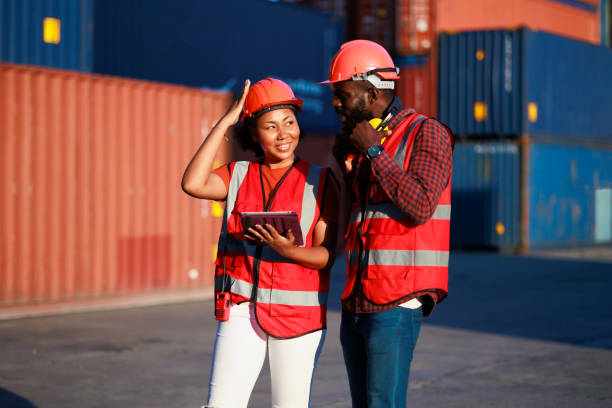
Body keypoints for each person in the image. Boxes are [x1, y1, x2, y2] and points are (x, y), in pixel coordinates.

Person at [182, 77, 339, 408]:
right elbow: (193, 182)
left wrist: (290, 250)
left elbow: (326, 256)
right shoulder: (236, 174)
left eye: (289, 122)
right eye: (270, 126)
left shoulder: (320, 180)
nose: (283, 134)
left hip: (299, 316)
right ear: (253, 133)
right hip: (242, 308)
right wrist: (226, 120)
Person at [319, 39, 454, 407]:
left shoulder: (428, 133)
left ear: (372, 91)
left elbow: (421, 204)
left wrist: (374, 152)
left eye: (342, 94)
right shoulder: (360, 145)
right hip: (357, 300)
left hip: (397, 303)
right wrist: (342, 165)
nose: (335, 104)